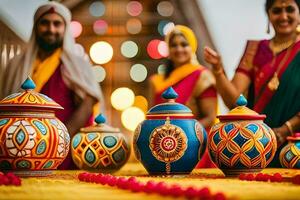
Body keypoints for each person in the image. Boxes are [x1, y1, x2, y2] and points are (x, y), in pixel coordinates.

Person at [0, 2, 103, 169]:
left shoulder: (77, 64)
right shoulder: (15, 64)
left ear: (65, 28)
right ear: (36, 27)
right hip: (18, 149)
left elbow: (90, 100)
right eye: (45, 23)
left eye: (57, 24)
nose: (51, 29)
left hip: (62, 152)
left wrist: (60, 138)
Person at [204, 0, 300, 167]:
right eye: (277, 11)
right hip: (256, 147)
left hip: (295, 146)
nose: (283, 16)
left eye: (290, 10)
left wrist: (285, 130)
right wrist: (218, 70)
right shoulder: (255, 49)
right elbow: (235, 102)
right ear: (269, 16)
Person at [150, 25, 217, 168]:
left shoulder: (202, 76)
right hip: (161, 142)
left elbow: (211, 118)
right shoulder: (157, 81)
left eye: (184, 44)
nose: (179, 49)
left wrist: (181, 132)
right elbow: (150, 115)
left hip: (193, 143)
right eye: (174, 45)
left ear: (192, 47)